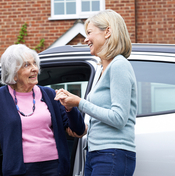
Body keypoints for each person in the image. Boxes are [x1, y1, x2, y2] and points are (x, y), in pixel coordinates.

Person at [0, 44, 86, 176]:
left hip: (55, 167)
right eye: (27, 65)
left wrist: (70, 109)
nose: (35, 69)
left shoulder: (49, 94)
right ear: (13, 73)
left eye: (34, 64)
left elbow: (78, 130)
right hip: (19, 170)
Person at [55, 9, 137, 176]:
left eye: (90, 33)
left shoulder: (119, 65)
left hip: (111, 153)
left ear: (107, 32)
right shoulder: (102, 70)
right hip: (97, 153)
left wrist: (79, 102)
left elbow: (119, 118)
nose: (86, 39)